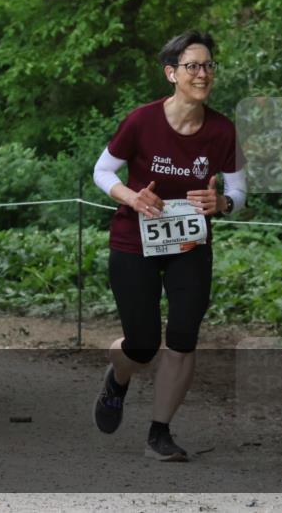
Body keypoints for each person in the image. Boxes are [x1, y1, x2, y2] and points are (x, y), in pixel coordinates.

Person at [91, 30, 246, 461]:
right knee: (141, 345)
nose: (203, 73)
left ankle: (159, 433)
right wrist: (132, 197)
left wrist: (223, 202)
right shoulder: (142, 121)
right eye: (193, 66)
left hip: (189, 246)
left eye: (208, 65)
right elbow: (103, 172)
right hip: (133, 241)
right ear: (171, 73)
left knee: (182, 337)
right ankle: (117, 379)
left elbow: (238, 191)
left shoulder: (222, 130)